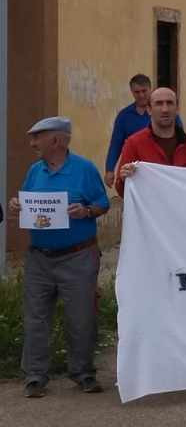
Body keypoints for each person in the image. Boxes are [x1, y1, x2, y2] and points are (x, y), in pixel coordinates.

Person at [7, 117, 109, 398]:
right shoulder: (34, 171)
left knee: (81, 317)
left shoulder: (84, 169)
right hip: (39, 258)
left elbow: (103, 203)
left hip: (78, 257)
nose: (31, 143)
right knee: (36, 318)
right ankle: (35, 377)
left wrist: (86, 211)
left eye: (36, 137)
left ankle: (83, 373)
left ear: (56, 141)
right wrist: (18, 205)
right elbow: (26, 200)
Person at [115, 87, 186, 196]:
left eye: (170, 103)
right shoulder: (134, 143)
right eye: (159, 103)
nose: (165, 109)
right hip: (149, 212)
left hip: (183, 211)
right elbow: (122, 191)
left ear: (177, 109)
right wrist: (124, 179)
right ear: (149, 110)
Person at [103, 74, 181, 186]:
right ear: (131, 92)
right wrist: (109, 170)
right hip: (134, 171)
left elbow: (180, 140)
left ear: (150, 89)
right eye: (137, 92)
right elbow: (116, 144)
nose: (141, 95)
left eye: (144, 91)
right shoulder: (124, 116)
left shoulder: (166, 114)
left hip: (163, 169)